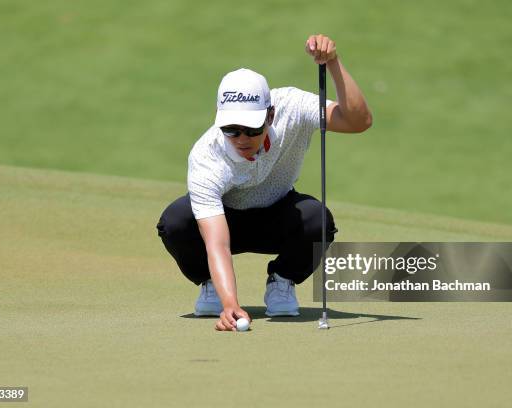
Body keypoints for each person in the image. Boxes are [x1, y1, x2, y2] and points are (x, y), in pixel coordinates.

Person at [157, 34, 372, 331]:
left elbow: (358, 121)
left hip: (277, 216)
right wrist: (230, 303)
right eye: (231, 130)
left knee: (317, 219)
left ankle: (282, 280)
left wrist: (332, 62)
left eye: (251, 128)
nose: (242, 139)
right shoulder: (206, 157)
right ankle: (211, 286)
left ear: (270, 115)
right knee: (175, 221)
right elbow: (217, 243)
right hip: (225, 218)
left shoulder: (293, 107)